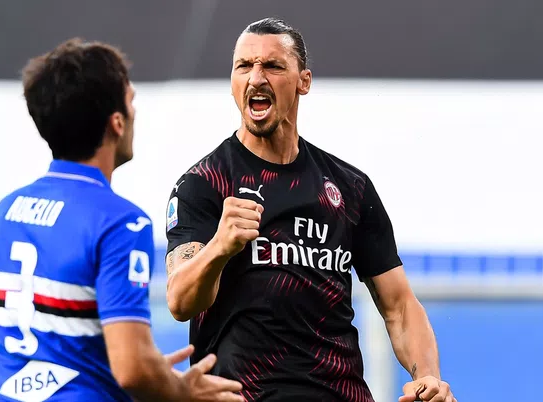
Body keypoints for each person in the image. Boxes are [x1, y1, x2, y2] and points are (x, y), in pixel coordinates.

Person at [164, 18, 456, 402]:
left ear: (303, 81)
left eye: (272, 66)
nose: (256, 78)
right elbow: (180, 302)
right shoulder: (204, 183)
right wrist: (219, 247)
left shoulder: (350, 187)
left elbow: (399, 306)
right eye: (244, 66)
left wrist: (428, 377)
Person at [0, 38, 244, 402]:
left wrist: (151, 370)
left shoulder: (0, 215)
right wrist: (180, 391)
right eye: (131, 102)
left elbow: (61, 346)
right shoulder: (121, 223)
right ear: (116, 123)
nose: (135, 113)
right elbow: (132, 369)